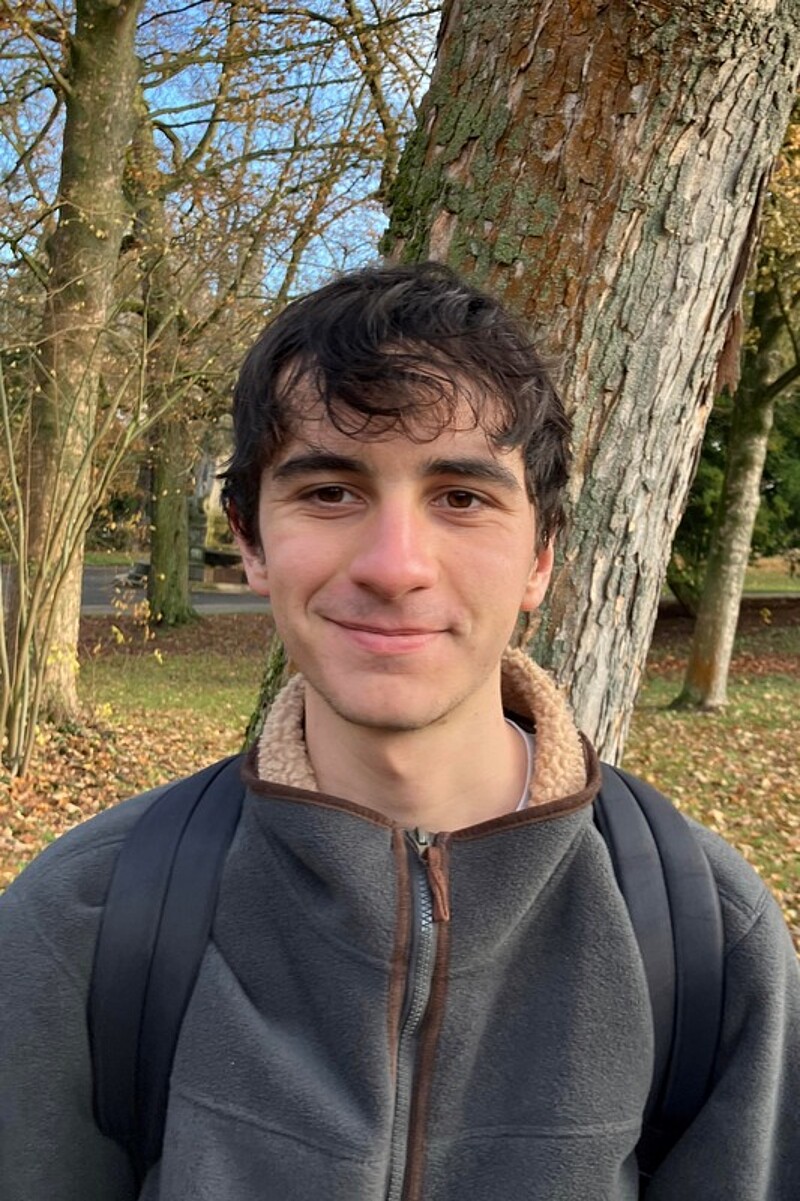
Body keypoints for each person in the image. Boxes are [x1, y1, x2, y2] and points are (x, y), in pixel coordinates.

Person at [0, 262, 797, 1200]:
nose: (394, 565)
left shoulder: (711, 940)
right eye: (330, 492)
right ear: (252, 540)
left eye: (461, 497)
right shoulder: (86, 921)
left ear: (541, 556)